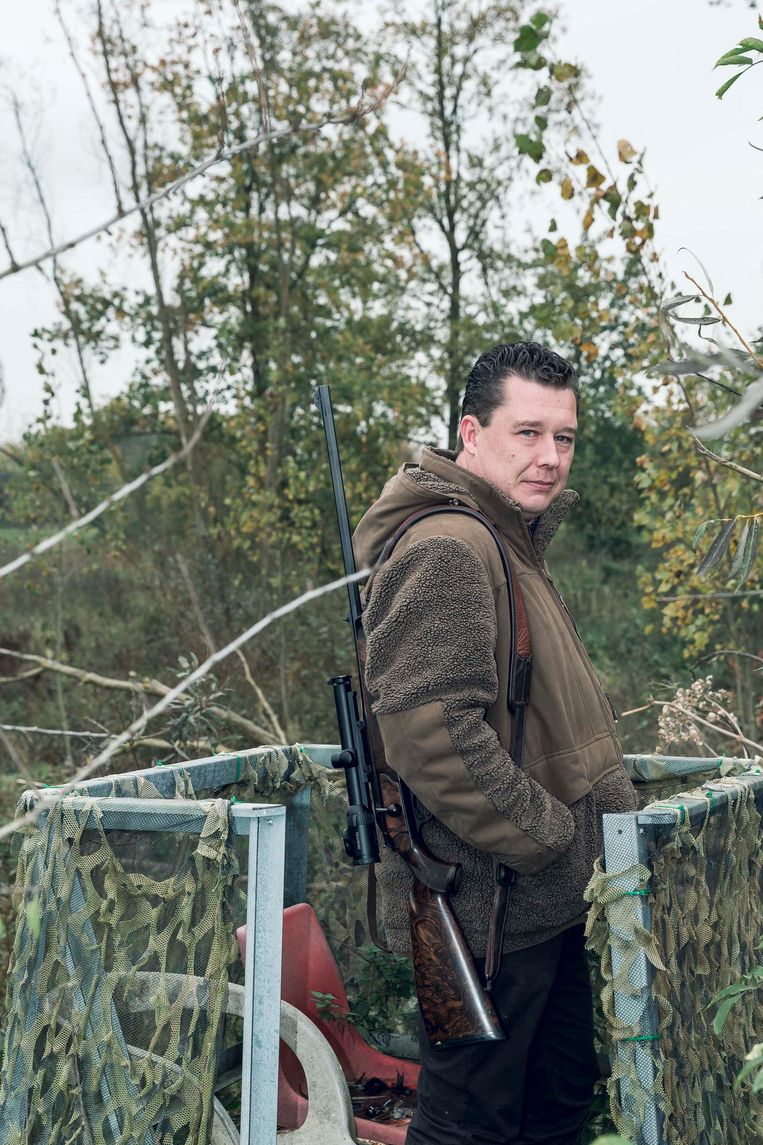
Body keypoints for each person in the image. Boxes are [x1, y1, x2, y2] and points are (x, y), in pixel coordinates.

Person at [353, 342, 637, 1145]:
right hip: (492, 911)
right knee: (470, 1123)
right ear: (470, 433)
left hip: (540, 904)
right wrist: (548, 835)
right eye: (527, 432)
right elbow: (431, 734)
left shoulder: (505, 537)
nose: (549, 457)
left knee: (553, 1105)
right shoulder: (451, 546)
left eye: (565, 437)